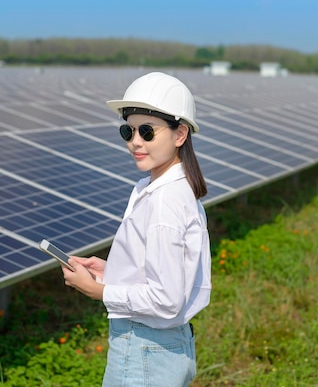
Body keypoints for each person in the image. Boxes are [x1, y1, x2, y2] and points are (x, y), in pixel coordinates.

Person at [61, 71, 212, 387]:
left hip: (144, 348)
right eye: (127, 132)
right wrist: (110, 270)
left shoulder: (164, 201)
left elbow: (167, 299)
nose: (135, 142)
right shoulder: (169, 188)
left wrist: (99, 291)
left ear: (180, 134)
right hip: (163, 346)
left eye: (147, 131)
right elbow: (168, 273)